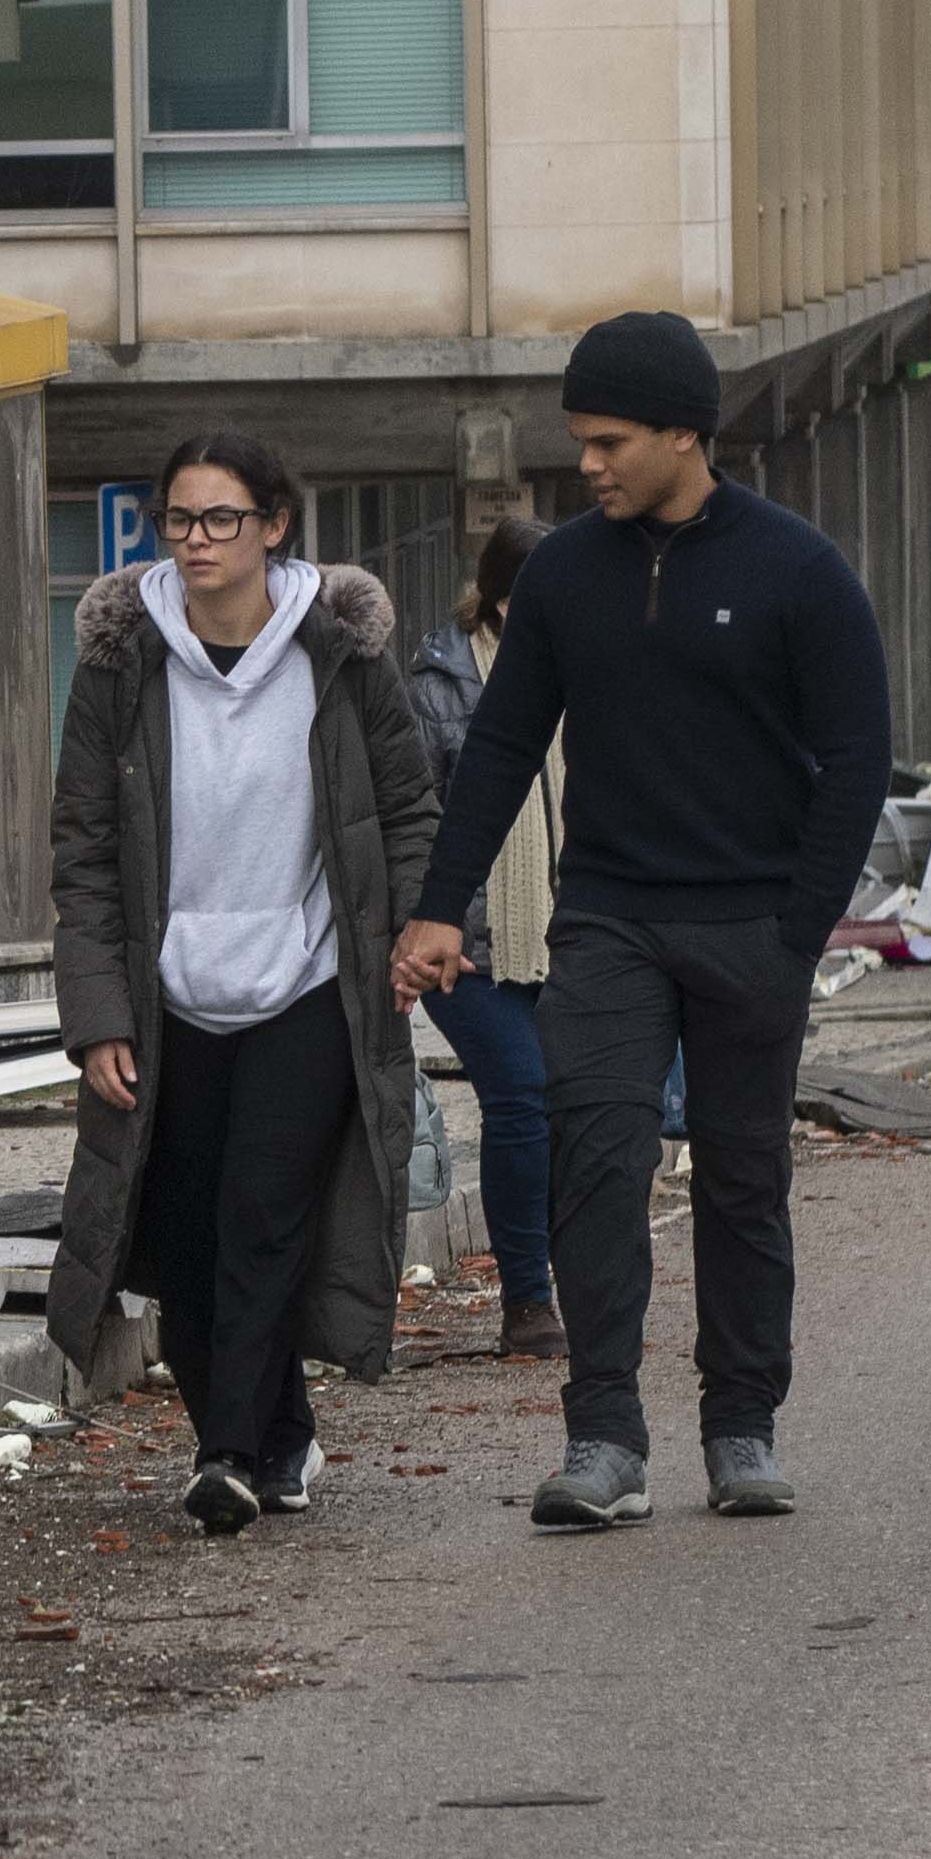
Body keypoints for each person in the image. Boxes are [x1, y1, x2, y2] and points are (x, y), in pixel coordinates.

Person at [393, 314, 897, 1531]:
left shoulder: (797, 570)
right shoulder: (565, 574)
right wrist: (439, 908)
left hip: (751, 926)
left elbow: (857, 757)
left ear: (685, 433)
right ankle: (605, 1438)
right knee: (599, 1165)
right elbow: (505, 746)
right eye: (583, 443)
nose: (591, 467)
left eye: (611, 442)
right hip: (610, 917)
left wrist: (798, 931)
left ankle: (742, 1427)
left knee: (740, 1178)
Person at [42, 428, 440, 1534]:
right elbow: (82, 848)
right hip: (167, 997)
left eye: (222, 517)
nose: (198, 539)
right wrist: (98, 1019)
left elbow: (406, 809)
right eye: (180, 518)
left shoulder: (341, 656)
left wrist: (413, 933)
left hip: (313, 983)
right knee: (179, 1229)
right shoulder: (124, 664)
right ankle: (280, 1433)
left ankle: (223, 1454)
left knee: (262, 1217)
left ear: (274, 526)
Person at [410, 519, 563, 1358]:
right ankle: (528, 1300)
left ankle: (583, 1276)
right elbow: (413, 817)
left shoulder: (590, 665)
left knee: (581, 1109)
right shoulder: (437, 688)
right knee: (522, 1096)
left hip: (569, 932)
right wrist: (424, 919)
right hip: (467, 941)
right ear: (504, 603)